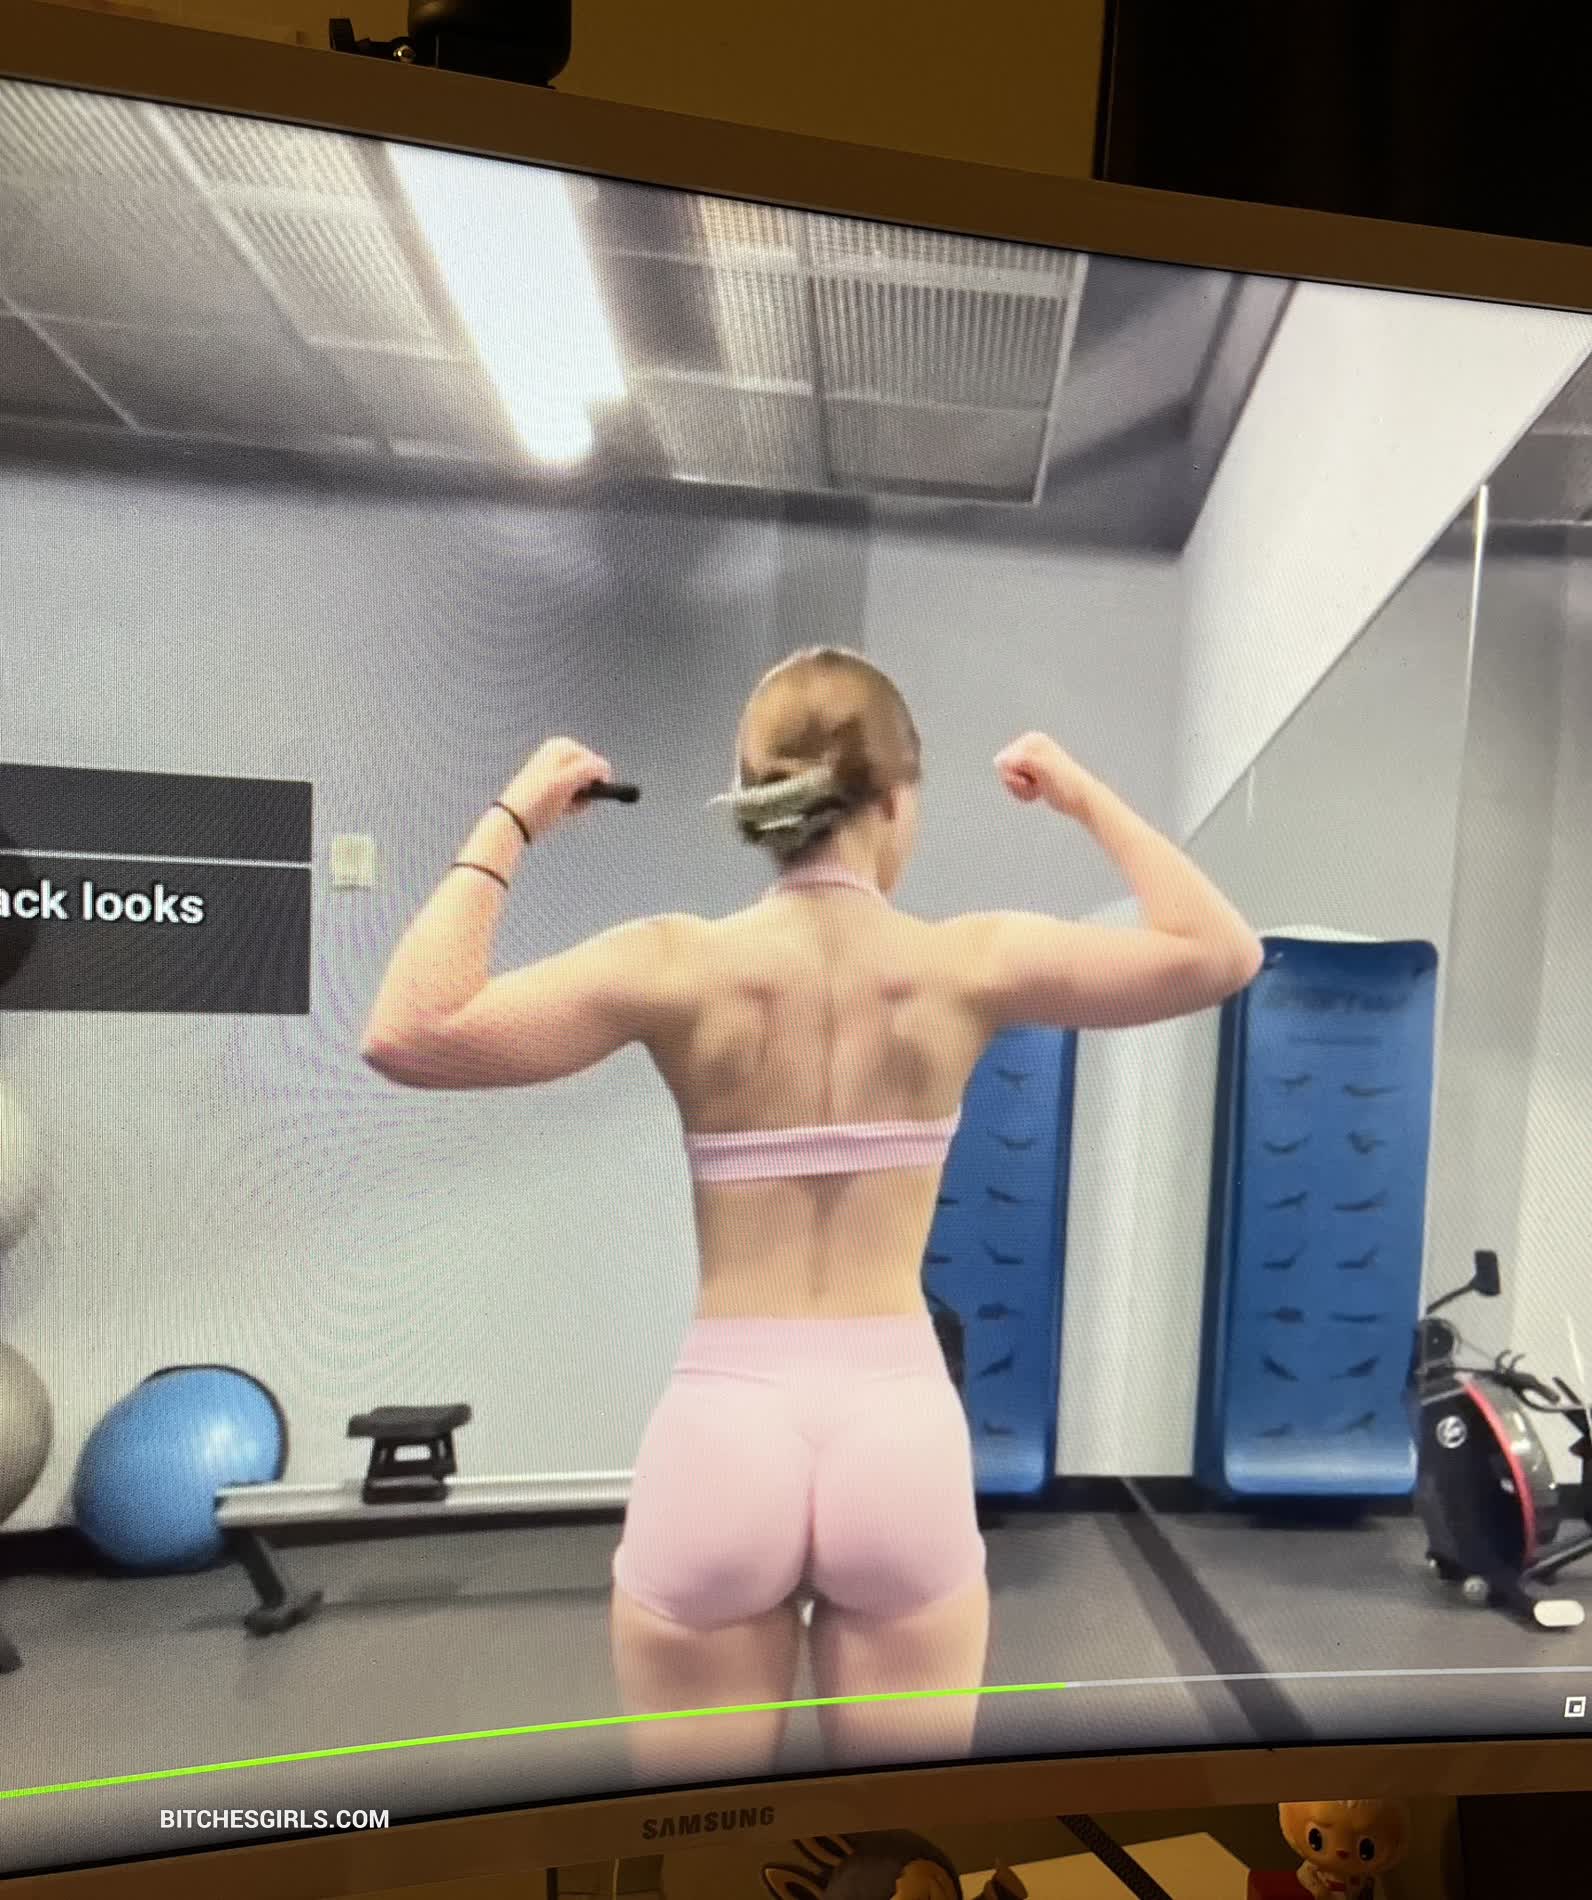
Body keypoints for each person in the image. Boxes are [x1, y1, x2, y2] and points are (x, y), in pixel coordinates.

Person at [362, 646, 1263, 1779]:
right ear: (895, 800)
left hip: (722, 1431)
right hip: (897, 1432)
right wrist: (1080, 796)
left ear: (758, 798)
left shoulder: (674, 963)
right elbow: (1221, 952)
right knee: (895, 1844)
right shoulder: (964, 963)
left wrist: (514, 820)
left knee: (699, 1843)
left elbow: (409, 1029)